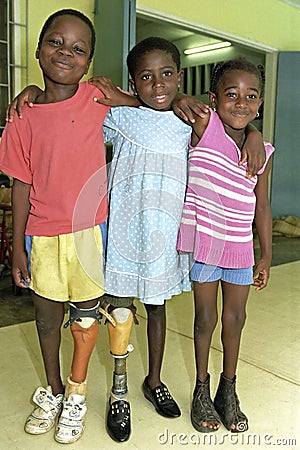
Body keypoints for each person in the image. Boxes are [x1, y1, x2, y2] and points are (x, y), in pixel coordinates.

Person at [5, 36, 266, 442]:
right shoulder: (118, 116)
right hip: (123, 238)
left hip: (164, 240)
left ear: (180, 78)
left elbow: (229, 123)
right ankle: (119, 391)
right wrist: (35, 93)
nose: (158, 85)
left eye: (166, 76)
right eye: (146, 77)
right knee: (120, 315)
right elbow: (72, 106)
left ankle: (154, 380)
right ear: (133, 81)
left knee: (157, 312)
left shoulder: (187, 120)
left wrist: (252, 132)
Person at [0, 8, 139, 445]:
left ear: (90, 62)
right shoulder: (21, 116)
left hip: (88, 232)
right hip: (40, 233)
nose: (66, 53)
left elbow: (148, 112)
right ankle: (54, 389)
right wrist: (17, 248)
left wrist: (124, 96)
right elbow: (21, 183)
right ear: (38, 50)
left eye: (79, 49)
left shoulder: (96, 100)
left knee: (84, 320)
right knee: (45, 320)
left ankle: (77, 392)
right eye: (56, 42)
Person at [177, 58, 274, 433]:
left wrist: (265, 255)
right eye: (231, 95)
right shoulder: (204, 126)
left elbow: (261, 206)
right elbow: (169, 99)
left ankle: (227, 391)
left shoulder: (261, 151)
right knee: (205, 319)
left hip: (239, 249)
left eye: (251, 97)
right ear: (213, 99)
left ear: (260, 103)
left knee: (235, 319)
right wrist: (181, 98)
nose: (241, 103)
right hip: (206, 246)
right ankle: (200, 389)